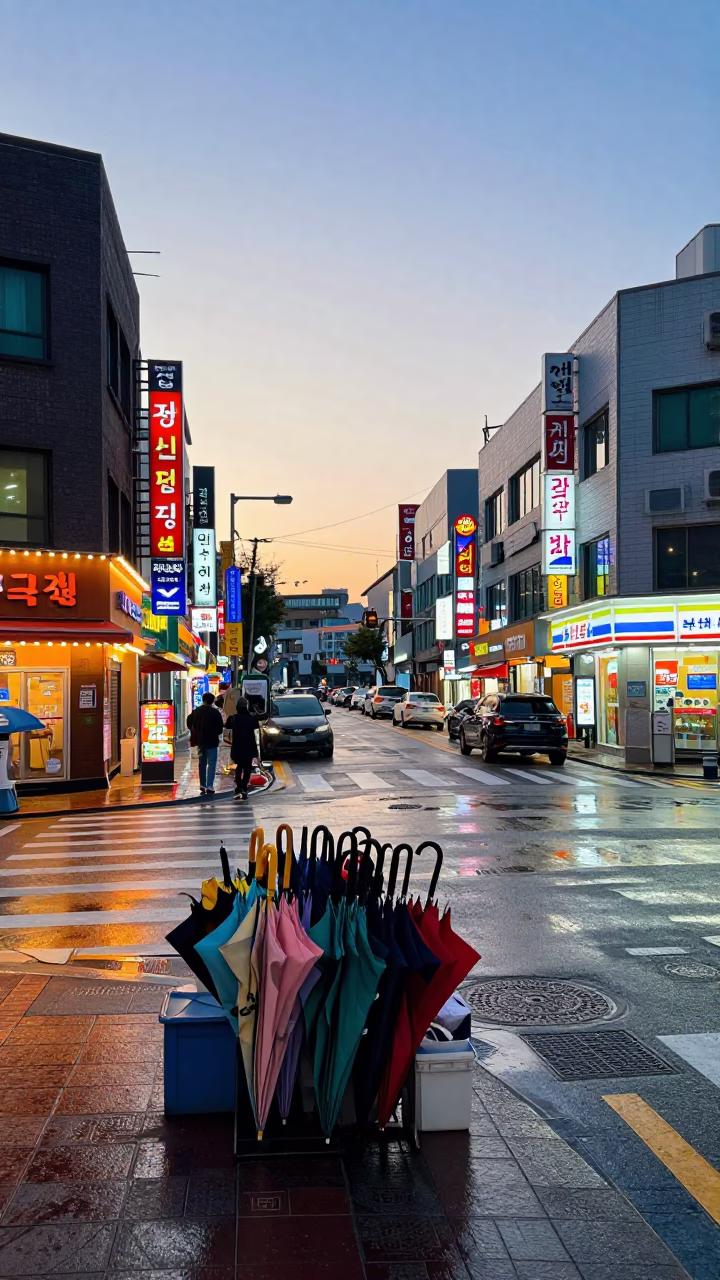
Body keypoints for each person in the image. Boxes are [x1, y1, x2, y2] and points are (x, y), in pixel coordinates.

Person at [186, 692, 224, 794]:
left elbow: (189, 723)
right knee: (212, 763)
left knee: (202, 763)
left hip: (200, 741)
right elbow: (220, 729)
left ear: (203, 700)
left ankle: (202, 784)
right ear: (212, 701)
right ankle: (210, 785)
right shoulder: (215, 712)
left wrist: (195, 731)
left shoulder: (196, 712)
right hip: (212, 741)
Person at [226, 696, 259, 799]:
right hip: (249, 745)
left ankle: (238, 787)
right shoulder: (252, 718)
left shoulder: (233, 718)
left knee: (239, 767)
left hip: (237, 746)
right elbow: (256, 726)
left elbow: (227, 726)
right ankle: (244, 787)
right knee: (247, 768)